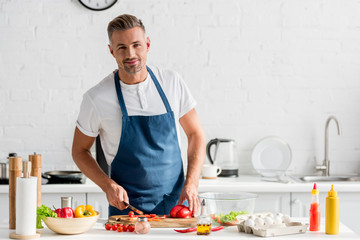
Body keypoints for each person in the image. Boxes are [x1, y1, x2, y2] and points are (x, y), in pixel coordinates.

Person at [72, 14, 205, 217]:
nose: (130, 54)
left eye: (136, 45)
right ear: (111, 51)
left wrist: (192, 184)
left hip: (178, 208)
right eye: (122, 47)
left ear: (148, 44)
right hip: (127, 212)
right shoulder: (97, 98)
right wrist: (107, 185)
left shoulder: (172, 83)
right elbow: (79, 150)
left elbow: (196, 134)